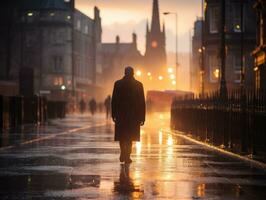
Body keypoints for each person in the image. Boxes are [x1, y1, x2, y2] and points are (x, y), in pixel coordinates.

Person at [111, 66, 146, 164]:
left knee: (122, 136)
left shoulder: (118, 84)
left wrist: (113, 114)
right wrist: (142, 117)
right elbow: (142, 102)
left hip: (121, 114)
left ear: (124, 73)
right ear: (133, 73)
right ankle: (127, 155)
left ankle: (123, 152)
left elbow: (114, 100)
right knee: (130, 136)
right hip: (134, 116)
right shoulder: (139, 85)